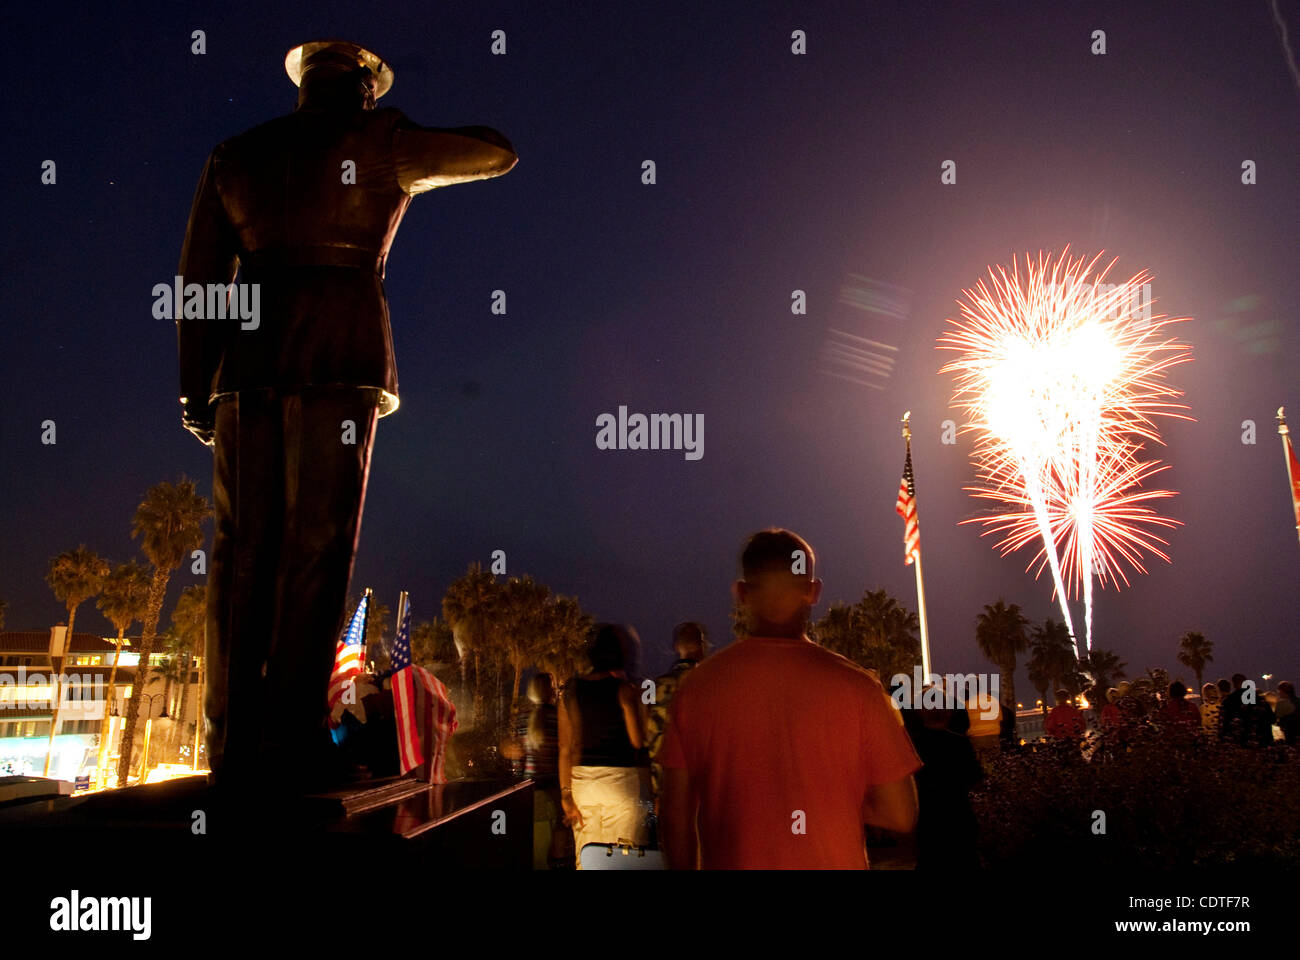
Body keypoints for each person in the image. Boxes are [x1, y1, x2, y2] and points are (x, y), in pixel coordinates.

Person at [177, 40, 518, 791]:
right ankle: (290, 741)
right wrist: (399, 144)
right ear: (364, 87)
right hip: (341, 349)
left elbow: (198, 279)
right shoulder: (380, 141)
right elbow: (496, 153)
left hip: (247, 365)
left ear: (303, 86)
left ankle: (231, 746)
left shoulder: (236, 153)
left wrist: (195, 389)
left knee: (241, 555)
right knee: (318, 549)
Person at [659, 528, 920, 869]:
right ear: (813, 591)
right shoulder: (859, 688)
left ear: (741, 593)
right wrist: (835, 799)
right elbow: (901, 815)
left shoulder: (696, 689)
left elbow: (674, 817)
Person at [558, 625, 650, 866]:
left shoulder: (571, 691)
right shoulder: (623, 690)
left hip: (583, 784)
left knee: (587, 857)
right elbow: (637, 740)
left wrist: (565, 794)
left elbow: (565, 747)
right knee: (621, 858)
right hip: (620, 781)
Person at [901, 699, 983, 869]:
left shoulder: (913, 746)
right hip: (959, 811)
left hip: (928, 814)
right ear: (948, 712)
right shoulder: (960, 743)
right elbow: (974, 777)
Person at [647, 622, 708, 798]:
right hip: (700, 777)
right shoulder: (712, 684)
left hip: (662, 777)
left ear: (676, 647)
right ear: (702, 646)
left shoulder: (653, 686)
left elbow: (646, 728)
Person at [520, 673, 570, 869]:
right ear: (550, 691)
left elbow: (519, 755)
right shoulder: (558, 716)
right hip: (554, 785)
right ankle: (558, 861)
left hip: (530, 786)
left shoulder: (523, 717)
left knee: (536, 842)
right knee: (561, 828)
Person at [1274, 681, 1299, 745]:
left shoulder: (1281, 703)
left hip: (1289, 730)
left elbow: (1277, 716)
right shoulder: (1298, 700)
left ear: (1281, 691)